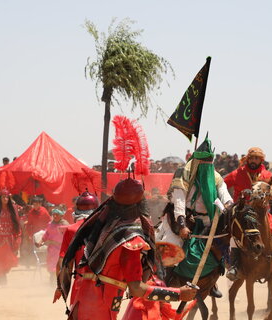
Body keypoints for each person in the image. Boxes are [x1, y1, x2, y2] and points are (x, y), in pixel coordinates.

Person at [61, 177, 197, 320]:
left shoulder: (103, 226)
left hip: (81, 300)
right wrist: (178, 294)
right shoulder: (131, 239)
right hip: (100, 308)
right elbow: (136, 288)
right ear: (140, 204)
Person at [156, 136, 233, 298]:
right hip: (181, 217)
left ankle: (211, 282)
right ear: (197, 161)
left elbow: (224, 194)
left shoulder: (215, 176)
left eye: (209, 163)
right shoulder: (184, 173)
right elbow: (179, 201)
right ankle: (162, 282)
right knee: (172, 246)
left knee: (221, 247)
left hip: (207, 220)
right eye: (204, 163)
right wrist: (182, 225)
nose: (207, 167)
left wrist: (228, 205)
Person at [224, 147, 272, 280]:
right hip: (242, 215)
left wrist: (267, 191)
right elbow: (222, 186)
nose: (253, 160)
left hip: (263, 215)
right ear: (248, 159)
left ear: (261, 160)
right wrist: (228, 201)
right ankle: (234, 267)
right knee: (233, 238)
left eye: (256, 158)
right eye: (251, 158)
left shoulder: (268, 175)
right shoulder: (237, 173)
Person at [53, 191, 99, 307]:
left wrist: (60, 288)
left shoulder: (71, 230)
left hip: (80, 284)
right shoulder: (106, 229)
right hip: (103, 287)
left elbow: (62, 263)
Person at [0, 189, 21, 286]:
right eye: (3, 197)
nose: (5, 199)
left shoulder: (13, 210)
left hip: (8, 240)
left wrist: (17, 238)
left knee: (7, 261)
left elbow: (17, 224)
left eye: (7, 197)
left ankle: (3, 277)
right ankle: (1, 280)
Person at [36, 208, 69, 282]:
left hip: (61, 249)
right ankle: (52, 281)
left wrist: (53, 242)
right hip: (51, 250)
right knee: (51, 267)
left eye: (57, 215)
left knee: (59, 266)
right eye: (54, 214)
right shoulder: (50, 224)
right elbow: (46, 235)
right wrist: (40, 242)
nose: (55, 216)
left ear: (61, 216)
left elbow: (68, 238)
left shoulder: (65, 225)